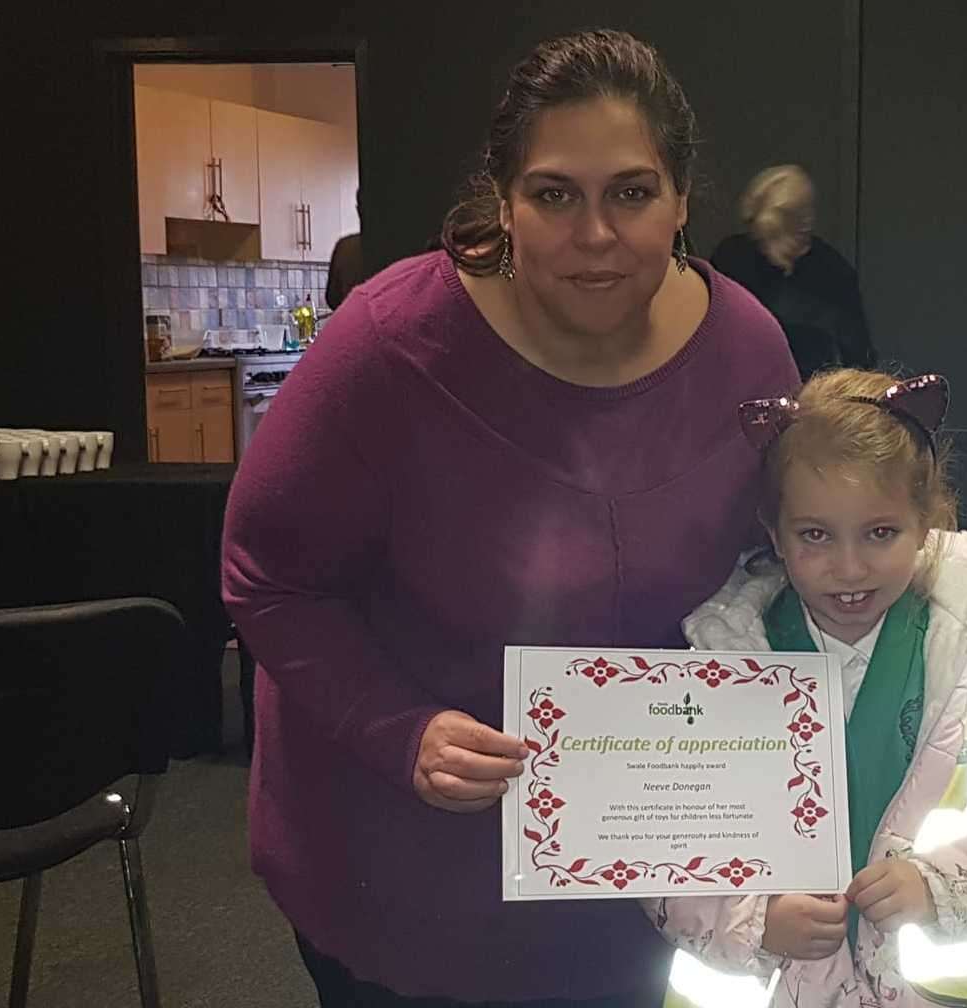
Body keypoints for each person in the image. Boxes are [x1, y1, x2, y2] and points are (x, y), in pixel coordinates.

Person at [222, 29, 799, 1008]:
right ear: (503, 200)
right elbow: (265, 573)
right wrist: (397, 729)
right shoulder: (391, 348)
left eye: (631, 191)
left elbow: (781, 556)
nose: (595, 234)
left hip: (634, 858)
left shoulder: (744, 349)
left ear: (682, 200)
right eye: (554, 194)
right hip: (403, 866)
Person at [645, 369, 967, 1008]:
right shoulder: (715, 668)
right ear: (774, 533)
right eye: (815, 534)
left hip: (947, 993)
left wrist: (942, 885)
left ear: (925, 524)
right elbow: (658, 839)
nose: (849, 567)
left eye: (880, 533)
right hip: (774, 989)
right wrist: (751, 920)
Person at [711, 166, 877, 381]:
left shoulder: (832, 269)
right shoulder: (732, 258)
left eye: (808, 212)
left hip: (811, 395)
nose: (806, 223)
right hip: (738, 385)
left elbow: (859, 353)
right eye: (796, 215)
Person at [325, 187, 364, 310]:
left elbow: (332, 299)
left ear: (359, 210)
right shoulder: (401, 247)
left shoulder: (345, 247)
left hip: (353, 323)